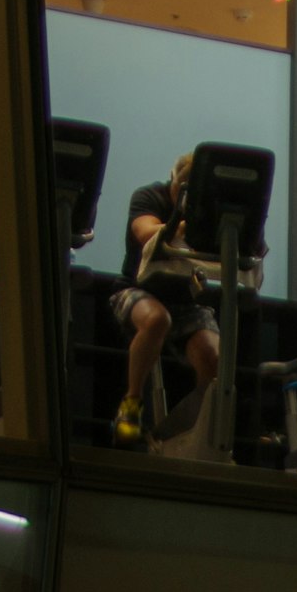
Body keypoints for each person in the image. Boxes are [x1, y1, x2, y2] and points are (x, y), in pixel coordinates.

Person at [111, 154, 232, 441]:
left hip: (186, 300)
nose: (185, 195)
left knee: (215, 362)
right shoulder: (149, 196)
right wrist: (183, 224)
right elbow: (146, 233)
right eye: (182, 187)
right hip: (137, 289)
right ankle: (131, 405)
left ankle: (182, 434)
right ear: (172, 180)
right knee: (157, 320)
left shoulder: (208, 209)